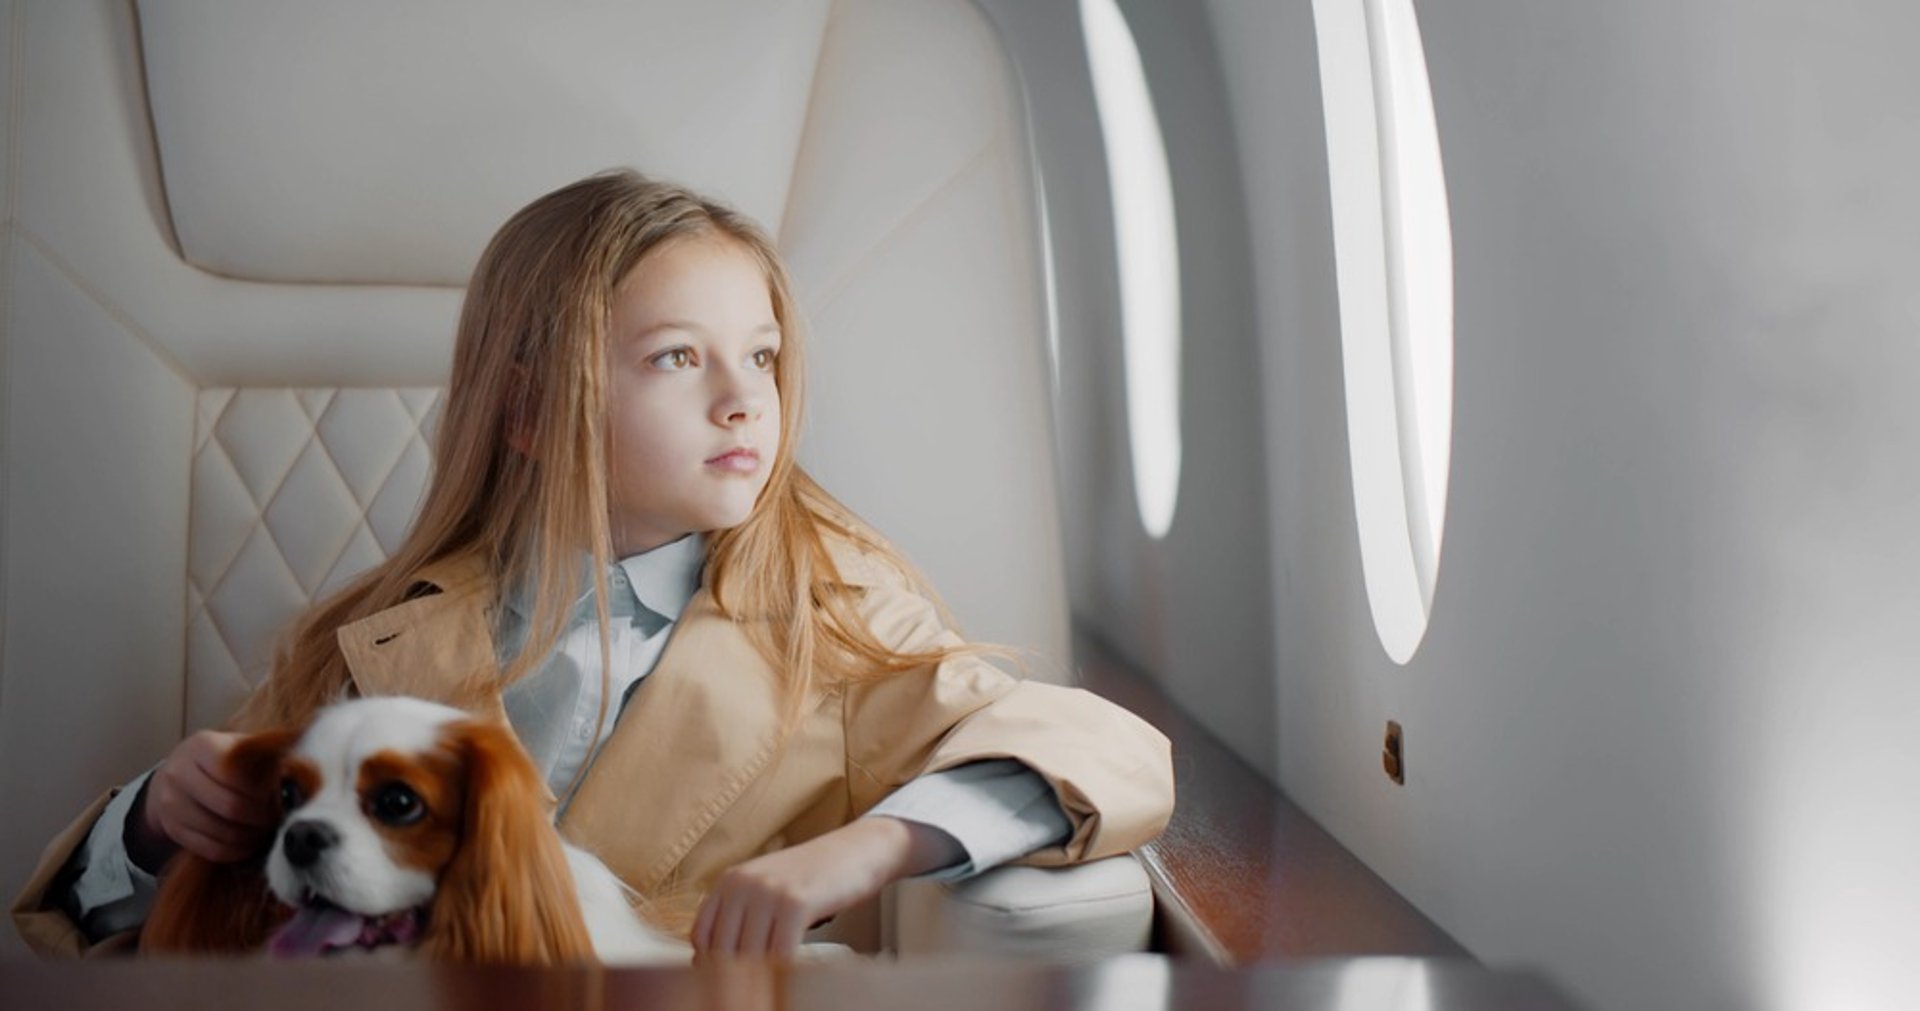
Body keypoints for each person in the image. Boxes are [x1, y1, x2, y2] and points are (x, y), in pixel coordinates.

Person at [13, 170, 1175, 960]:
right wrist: (159, 816)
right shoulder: (372, 643)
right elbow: (148, 905)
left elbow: (1090, 743)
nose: (743, 398)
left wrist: (856, 852)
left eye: (761, 356)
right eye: (679, 357)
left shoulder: (830, 607)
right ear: (528, 411)